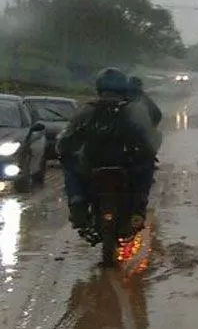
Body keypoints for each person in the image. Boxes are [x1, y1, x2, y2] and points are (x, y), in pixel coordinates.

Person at [57, 68, 160, 231]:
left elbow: (67, 138)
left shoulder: (87, 109)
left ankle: (77, 202)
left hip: (92, 163)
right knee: (147, 168)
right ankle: (138, 210)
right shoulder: (133, 110)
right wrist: (148, 153)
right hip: (126, 163)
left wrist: (64, 150)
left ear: (99, 88)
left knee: (69, 167)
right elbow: (148, 137)